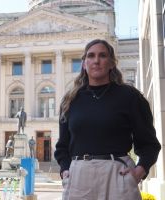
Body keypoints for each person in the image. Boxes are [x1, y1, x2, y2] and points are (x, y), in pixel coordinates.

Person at [54, 39, 161, 200]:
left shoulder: (130, 97)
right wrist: (65, 170)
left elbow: (149, 144)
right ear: (84, 64)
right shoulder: (70, 101)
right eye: (91, 56)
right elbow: (62, 146)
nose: (96, 60)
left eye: (102, 55)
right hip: (79, 177)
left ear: (112, 63)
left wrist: (139, 172)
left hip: (118, 175)